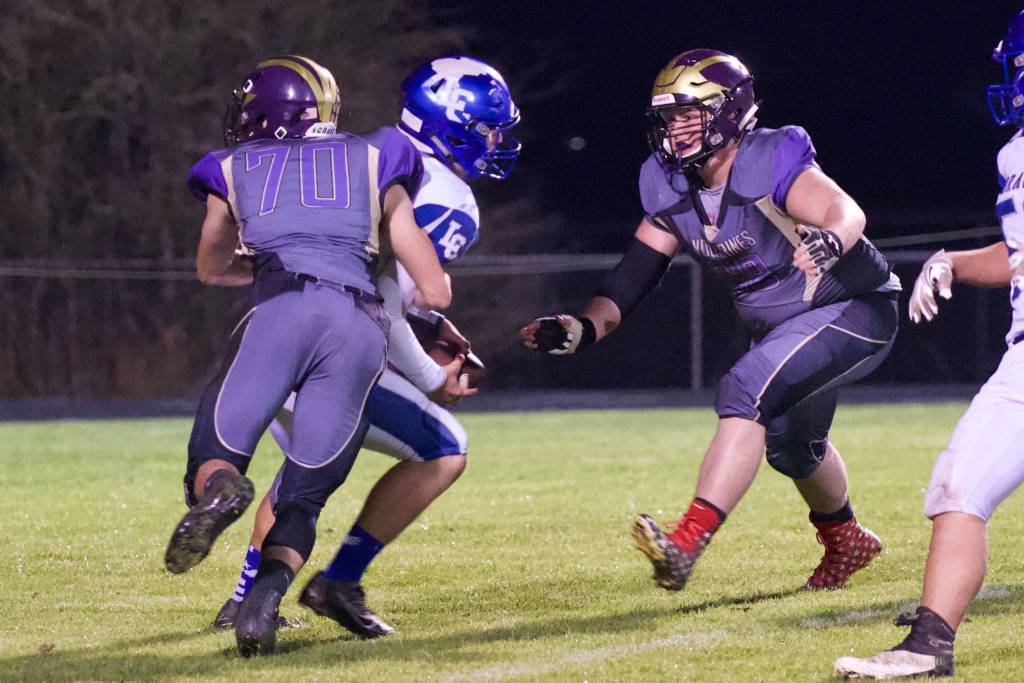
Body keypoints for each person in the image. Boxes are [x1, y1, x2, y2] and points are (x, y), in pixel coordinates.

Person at [519, 49, 901, 594]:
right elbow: (634, 276)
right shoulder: (667, 184)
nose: (675, 129)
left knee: (744, 386)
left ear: (728, 110)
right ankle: (847, 540)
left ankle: (686, 542)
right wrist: (582, 327)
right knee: (792, 449)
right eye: (669, 118)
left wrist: (829, 239)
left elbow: (846, 211)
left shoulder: (769, 157)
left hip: (852, 307)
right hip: (783, 328)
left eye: (688, 114)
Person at [208, 56, 520, 640]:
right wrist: (429, 374)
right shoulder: (446, 194)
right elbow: (379, 295)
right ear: (456, 127)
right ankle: (339, 581)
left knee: (305, 469)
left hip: (270, 338)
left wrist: (432, 327)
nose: (498, 143)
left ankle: (247, 597)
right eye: (490, 132)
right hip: (334, 345)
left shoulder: (358, 151)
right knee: (445, 448)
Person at [165, 55, 450, 657]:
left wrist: (273, 258)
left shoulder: (233, 165)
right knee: (305, 492)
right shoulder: (378, 156)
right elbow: (435, 288)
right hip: (358, 327)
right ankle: (260, 608)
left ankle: (220, 491)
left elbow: (210, 267)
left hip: (281, 308)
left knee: (214, 455)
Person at [835, 10, 1024, 679]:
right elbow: (1016, 252)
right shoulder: (1016, 154)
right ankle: (928, 644)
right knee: (959, 484)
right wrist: (949, 259)